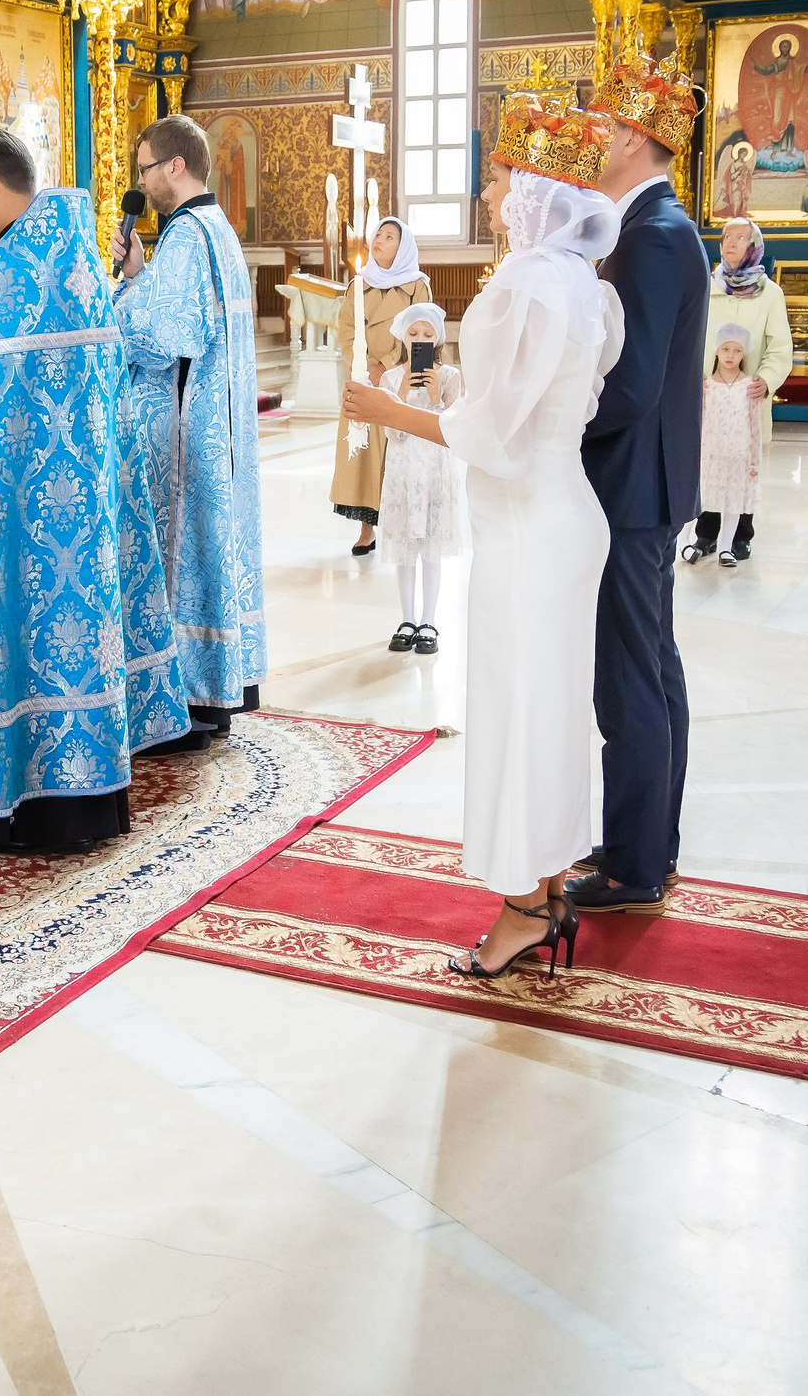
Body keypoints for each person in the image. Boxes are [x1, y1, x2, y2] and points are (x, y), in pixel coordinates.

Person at [341, 93, 625, 978]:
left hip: (530, 532)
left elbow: (495, 441)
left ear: (532, 194)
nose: (493, 196)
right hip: (569, 514)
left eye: (502, 179)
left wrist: (392, 408)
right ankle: (546, 889)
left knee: (515, 715)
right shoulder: (585, 287)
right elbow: (545, 412)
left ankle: (519, 911)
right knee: (552, 714)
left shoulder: (519, 286)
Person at [0, 128, 192, 851]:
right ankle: (96, 800)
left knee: (20, 639)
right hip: (87, 526)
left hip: (17, 524)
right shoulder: (86, 266)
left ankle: (24, 804)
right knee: (83, 639)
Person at [568, 56, 706, 916]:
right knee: (653, 665)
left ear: (627, 134)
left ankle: (632, 868)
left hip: (630, 486)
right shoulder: (655, 226)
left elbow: (633, 384)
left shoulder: (652, 235)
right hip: (645, 485)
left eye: (596, 126)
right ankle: (647, 840)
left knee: (629, 677)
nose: (588, 141)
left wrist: (556, 422)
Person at [117, 114, 267, 735]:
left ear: (175, 167)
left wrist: (117, 302)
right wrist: (140, 277)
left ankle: (187, 701)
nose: (143, 180)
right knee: (211, 549)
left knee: (183, 555)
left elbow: (164, 334)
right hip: (217, 424)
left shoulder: (185, 236)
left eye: (147, 167)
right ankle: (216, 689)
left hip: (186, 434)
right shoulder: (218, 229)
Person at [332, 216, 439, 553]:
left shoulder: (418, 284)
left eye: (389, 236)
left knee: (402, 452)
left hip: (403, 379)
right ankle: (367, 530)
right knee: (364, 454)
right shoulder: (357, 285)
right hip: (364, 377)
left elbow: (424, 335)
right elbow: (346, 330)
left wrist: (392, 368)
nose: (379, 240)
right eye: (377, 234)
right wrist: (364, 367)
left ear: (403, 246)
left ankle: (408, 524)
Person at [688, 218, 792, 562]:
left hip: (746, 398)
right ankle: (705, 534)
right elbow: (690, 338)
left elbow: (780, 348)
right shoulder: (707, 287)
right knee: (708, 461)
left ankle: (742, 535)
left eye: (740, 237)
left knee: (743, 462)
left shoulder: (770, 293)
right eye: (726, 237)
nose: (730, 242)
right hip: (710, 396)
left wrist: (766, 379)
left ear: (754, 247)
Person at [374, 301, 463, 654]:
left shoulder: (451, 377)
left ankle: (429, 620)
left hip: (435, 471)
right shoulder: (390, 378)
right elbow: (391, 432)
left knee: (431, 548)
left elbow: (454, 431)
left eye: (427, 334)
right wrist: (400, 394)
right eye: (413, 334)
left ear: (437, 339)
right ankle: (407, 618)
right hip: (403, 471)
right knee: (405, 550)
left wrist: (435, 395)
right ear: (403, 338)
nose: (420, 339)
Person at [688, 323, 763, 569]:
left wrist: (755, 460)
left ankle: (725, 548)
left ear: (744, 354)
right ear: (716, 351)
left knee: (733, 500)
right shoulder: (707, 385)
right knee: (706, 497)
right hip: (711, 453)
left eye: (737, 351)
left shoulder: (748, 385)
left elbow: (755, 425)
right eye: (726, 349)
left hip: (738, 454)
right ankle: (688, 543)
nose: (731, 356)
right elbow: (697, 420)